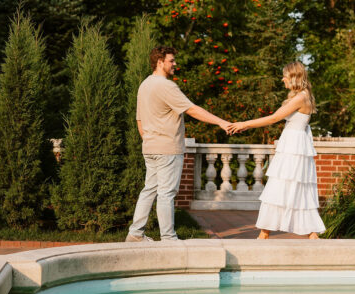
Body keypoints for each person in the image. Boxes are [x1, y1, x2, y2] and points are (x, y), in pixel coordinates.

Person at [126, 45, 232, 242]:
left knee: (149, 189)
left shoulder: (145, 85)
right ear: (160, 62)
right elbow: (192, 109)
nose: (175, 64)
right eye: (171, 60)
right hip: (167, 148)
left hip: (150, 147)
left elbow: (139, 120)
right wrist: (221, 122)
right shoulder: (166, 86)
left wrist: (149, 140)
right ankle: (168, 238)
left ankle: (135, 233)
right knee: (166, 193)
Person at [230, 60, 325, 239]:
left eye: (285, 76)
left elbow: (273, 118)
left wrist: (245, 124)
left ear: (295, 77)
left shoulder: (300, 98)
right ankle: (311, 234)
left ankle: (265, 233)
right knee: (293, 187)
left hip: (293, 149)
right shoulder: (303, 96)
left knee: (280, 186)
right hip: (294, 146)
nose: (283, 80)